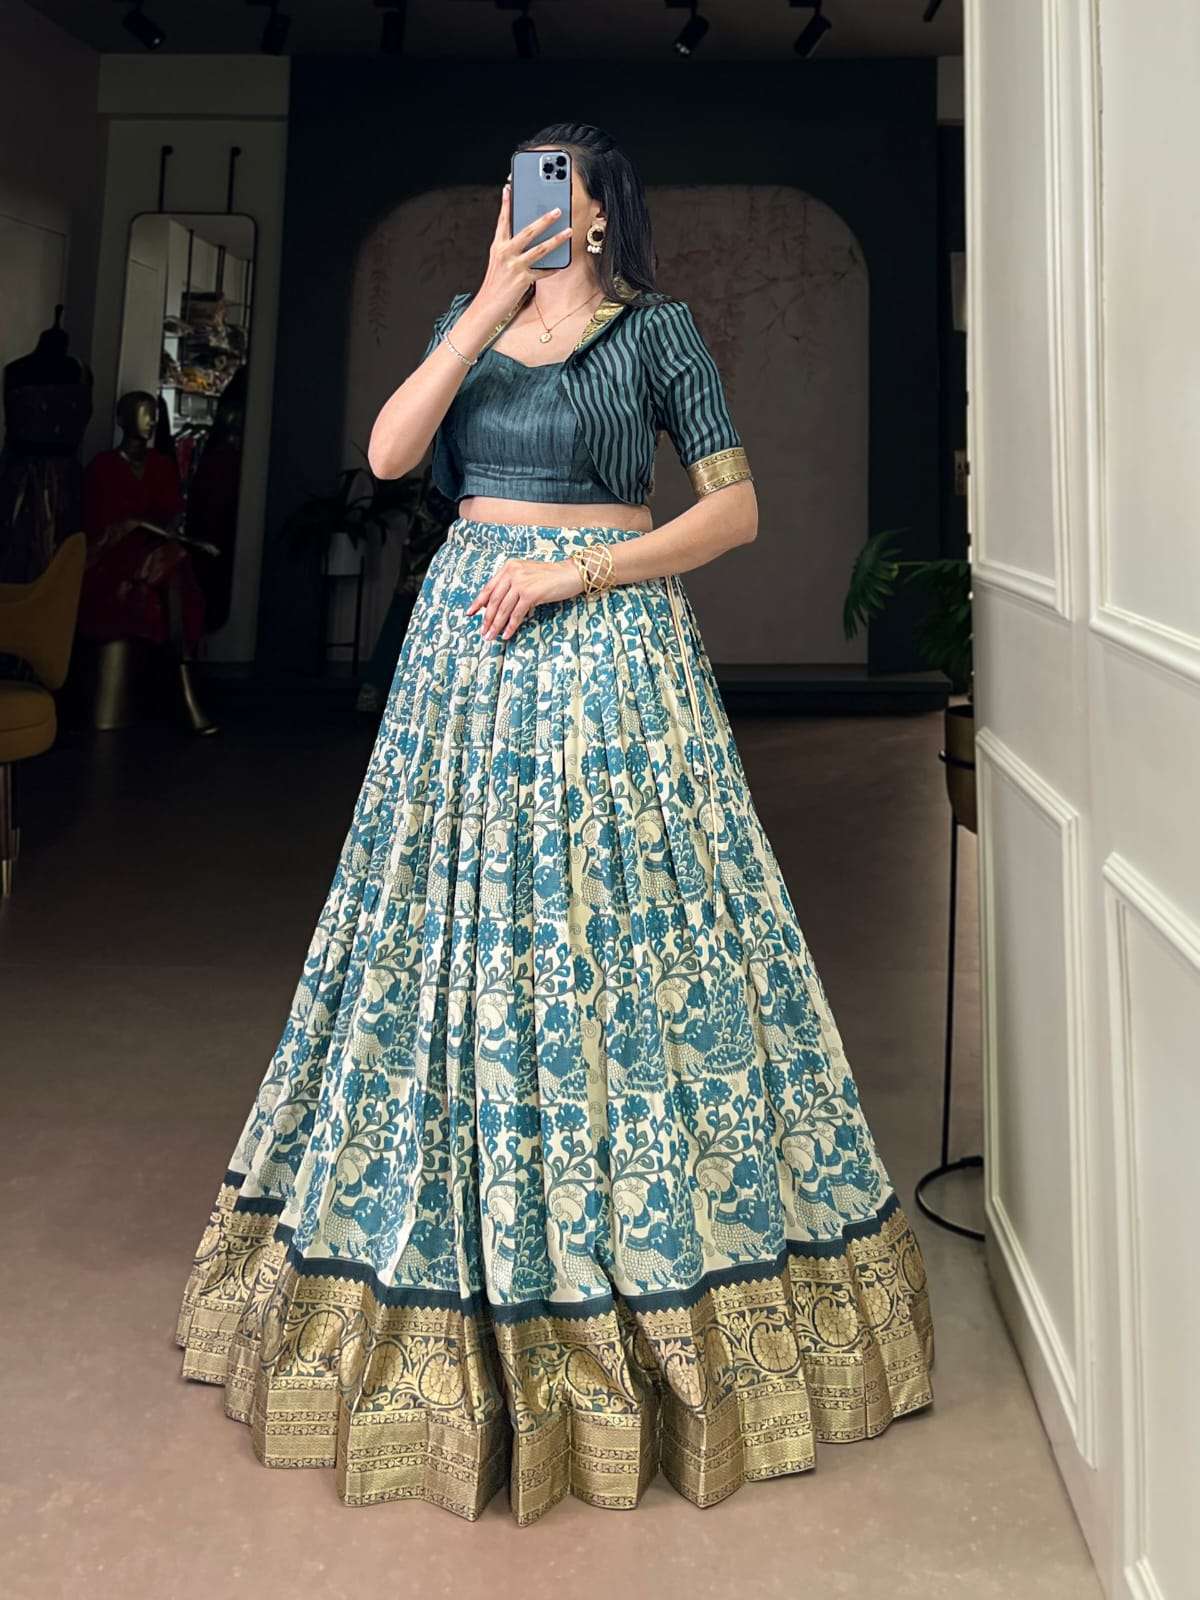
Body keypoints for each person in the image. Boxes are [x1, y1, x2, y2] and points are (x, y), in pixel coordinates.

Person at [177, 122, 935, 1524]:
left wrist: (581, 573)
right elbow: (392, 455)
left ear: (597, 214)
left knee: (621, 937)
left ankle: (636, 1273)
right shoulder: (462, 323)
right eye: (511, 185)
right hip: (469, 655)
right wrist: (480, 307)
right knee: (450, 931)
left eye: (552, 188)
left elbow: (736, 513)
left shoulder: (659, 333)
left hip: (610, 652)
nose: (524, 206)